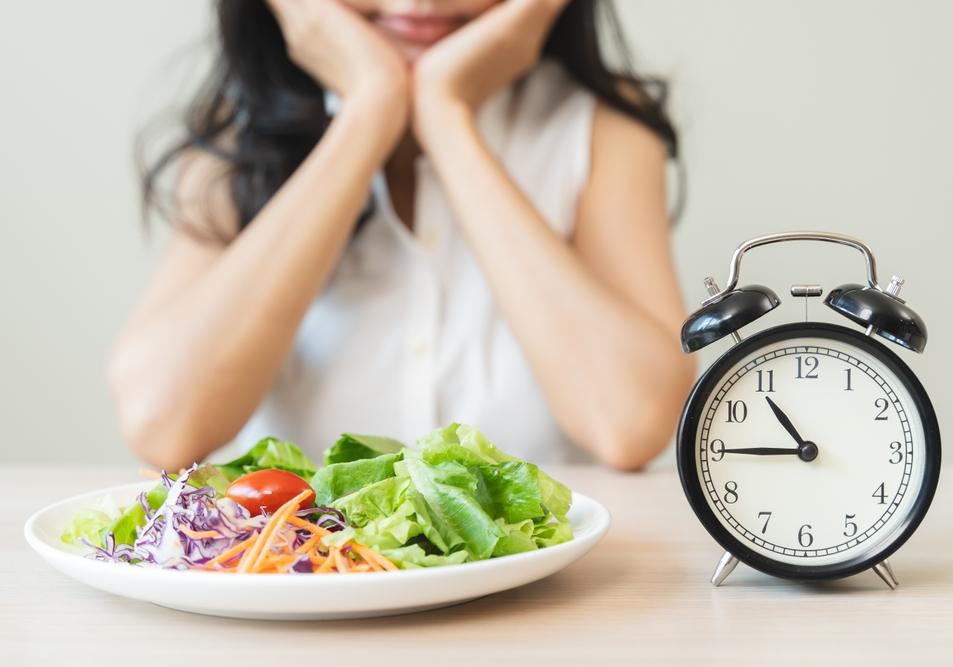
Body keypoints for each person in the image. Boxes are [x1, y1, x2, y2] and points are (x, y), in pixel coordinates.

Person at [110, 0, 696, 472]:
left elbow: (630, 424)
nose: (421, 1)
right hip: (297, 587)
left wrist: (445, 115)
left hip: (529, 596)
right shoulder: (236, 140)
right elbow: (162, 427)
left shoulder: (599, 127)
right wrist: (371, 107)